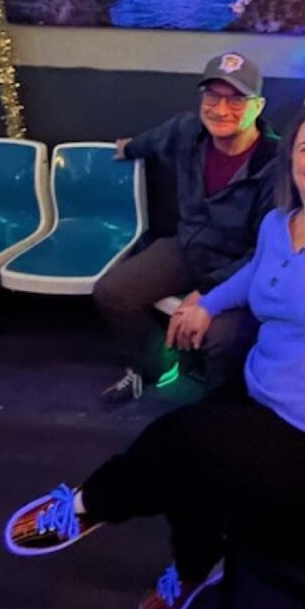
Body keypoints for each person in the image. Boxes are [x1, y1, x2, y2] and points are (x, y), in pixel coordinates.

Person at [4, 106, 305, 609]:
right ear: (289, 162)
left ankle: (87, 504)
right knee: (192, 467)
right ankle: (196, 567)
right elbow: (257, 273)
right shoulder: (281, 225)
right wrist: (207, 304)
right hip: (261, 396)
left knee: (179, 438)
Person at [95, 51, 278, 404]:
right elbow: (148, 142)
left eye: (237, 99)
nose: (221, 110)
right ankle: (160, 366)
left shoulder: (274, 164)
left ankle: (216, 408)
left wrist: (208, 292)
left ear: (259, 106)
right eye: (212, 97)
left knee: (221, 340)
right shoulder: (186, 131)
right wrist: (126, 148)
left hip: (240, 269)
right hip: (187, 248)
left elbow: (265, 251)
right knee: (112, 292)